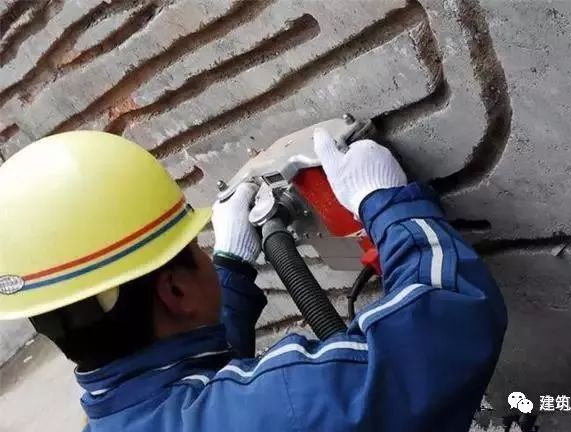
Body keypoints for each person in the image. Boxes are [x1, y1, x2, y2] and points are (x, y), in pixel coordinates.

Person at [0, 128, 507, 431]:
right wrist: (388, 205)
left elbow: (191, 394)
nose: (207, 253)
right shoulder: (285, 405)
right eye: (195, 249)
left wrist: (231, 270)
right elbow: (442, 326)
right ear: (176, 292)